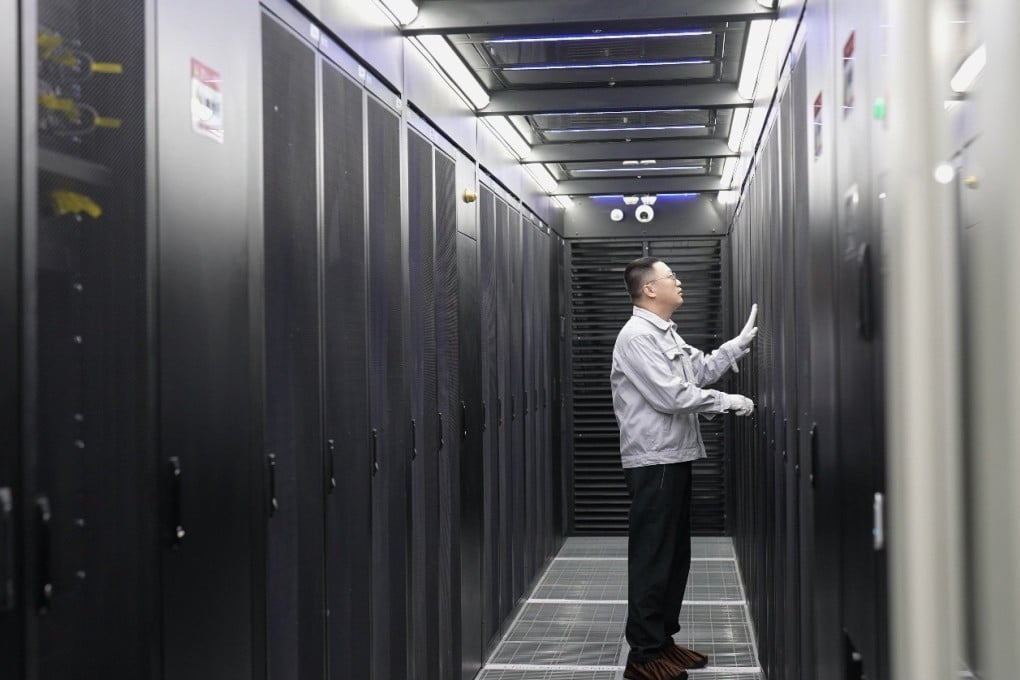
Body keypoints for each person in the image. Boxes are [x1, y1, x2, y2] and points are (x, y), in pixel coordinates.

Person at [610, 257, 757, 680]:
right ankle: (643, 656)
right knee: (653, 557)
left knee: (674, 557)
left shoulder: (663, 332)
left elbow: (700, 371)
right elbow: (672, 396)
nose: (679, 282)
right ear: (650, 289)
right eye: (671, 276)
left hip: (674, 455)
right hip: (653, 459)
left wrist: (736, 346)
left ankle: (661, 643)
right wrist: (729, 402)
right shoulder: (637, 337)